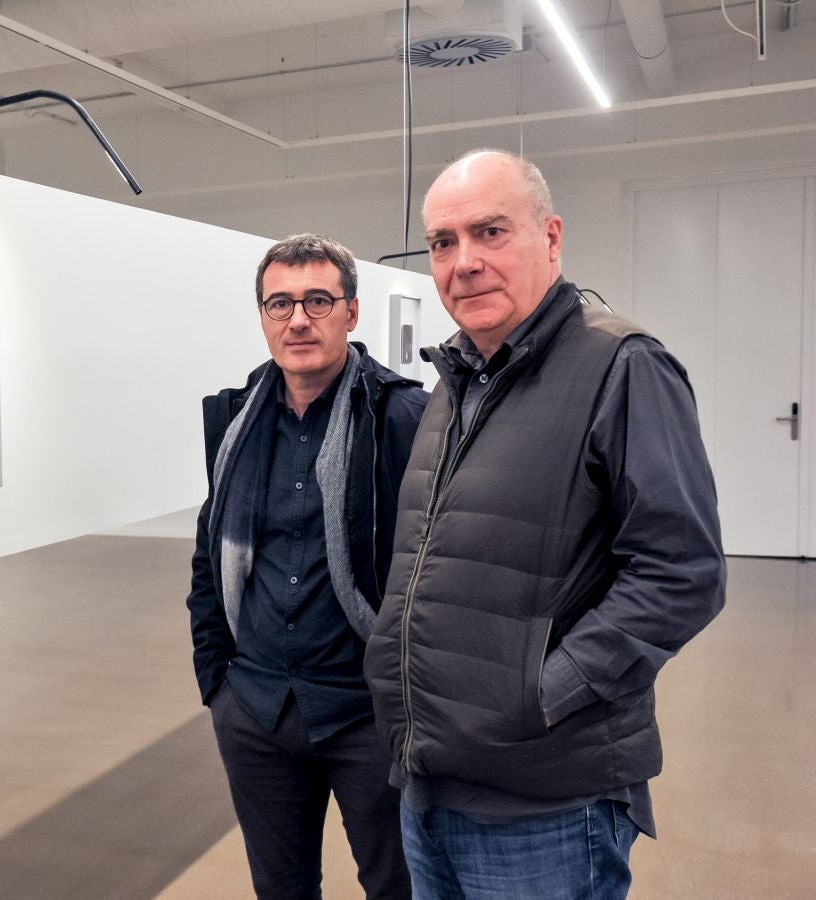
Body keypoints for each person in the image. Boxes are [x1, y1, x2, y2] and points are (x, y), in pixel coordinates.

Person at [362, 149, 727, 899]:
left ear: (550, 239)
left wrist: (541, 692)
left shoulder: (621, 367)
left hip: (544, 804)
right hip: (431, 780)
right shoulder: (454, 383)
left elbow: (681, 573)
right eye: (441, 242)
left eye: (489, 232)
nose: (463, 262)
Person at [187, 233, 426, 898]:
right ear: (261, 315)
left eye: (317, 300)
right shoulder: (235, 420)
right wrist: (218, 683)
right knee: (281, 889)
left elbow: (435, 567)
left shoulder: (401, 415)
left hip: (366, 715)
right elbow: (210, 556)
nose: (297, 319)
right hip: (256, 712)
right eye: (280, 303)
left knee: (397, 888)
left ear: (350, 312)